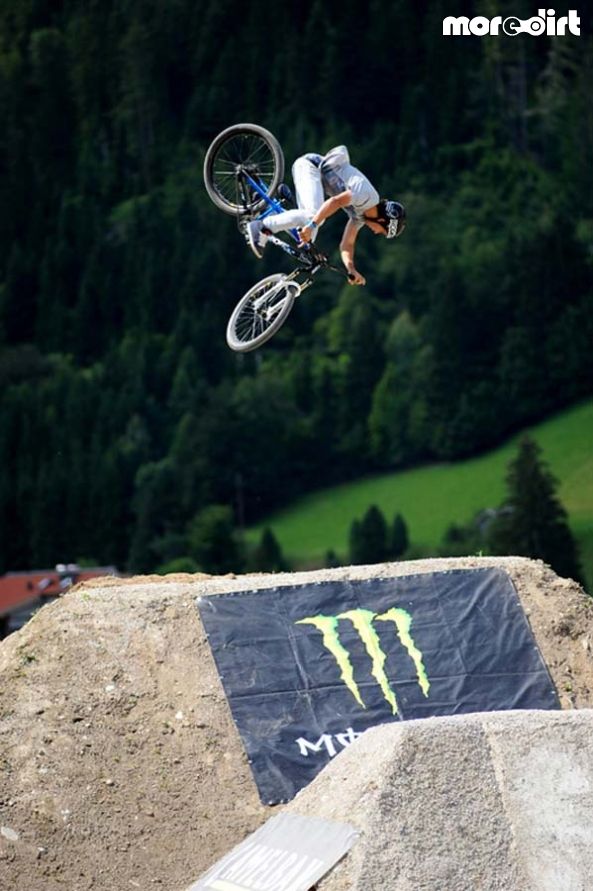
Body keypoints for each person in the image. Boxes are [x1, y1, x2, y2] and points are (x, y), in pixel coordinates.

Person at [246, 145, 406, 286]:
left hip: (317, 181)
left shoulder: (361, 216)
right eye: (382, 230)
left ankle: (263, 201)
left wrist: (351, 268)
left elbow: (347, 244)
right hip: (310, 167)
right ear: (382, 220)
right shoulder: (368, 197)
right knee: (311, 218)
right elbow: (336, 202)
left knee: (306, 240)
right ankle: (262, 227)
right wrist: (313, 224)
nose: (377, 232)